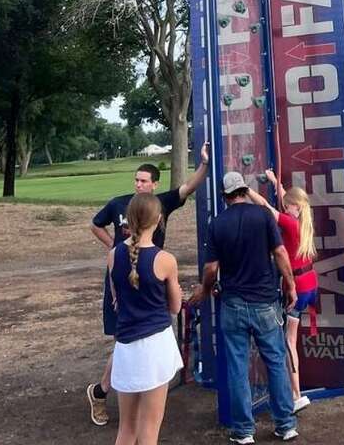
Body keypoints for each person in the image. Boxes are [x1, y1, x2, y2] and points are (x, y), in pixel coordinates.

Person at [86, 144, 209, 426]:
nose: (138, 184)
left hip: (151, 276)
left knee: (141, 337)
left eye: (144, 180)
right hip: (123, 278)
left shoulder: (161, 203)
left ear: (154, 184)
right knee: (126, 337)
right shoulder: (119, 203)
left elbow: (188, 187)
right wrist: (113, 246)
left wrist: (203, 164)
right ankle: (104, 393)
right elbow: (95, 224)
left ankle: (104, 391)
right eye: (136, 180)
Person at [191, 171, 299, 444]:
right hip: (265, 302)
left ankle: (243, 431)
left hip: (233, 304)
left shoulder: (217, 224)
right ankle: (285, 425)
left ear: (225, 196)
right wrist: (290, 284)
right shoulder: (262, 216)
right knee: (276, 362)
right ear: (244, 190)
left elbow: (211, 268)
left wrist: (206, 289)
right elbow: (280, 253)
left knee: (238, 367)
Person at [106, 193, 183, 445]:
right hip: (154, 347)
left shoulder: (113, 255)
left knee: (126, 429)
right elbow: (175, 306)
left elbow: (116, 300)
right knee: (149, 430)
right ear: (159, 219)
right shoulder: (165, 260)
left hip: (126, 347)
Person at [248, 169, 318, 412]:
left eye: (288, 206)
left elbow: (268, 207)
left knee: (289, 342)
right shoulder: (305, 222)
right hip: (310, 284)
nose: (285, 207)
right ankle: (295, 391)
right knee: (291, 338)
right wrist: (277, 182)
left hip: (297, 287)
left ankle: (296, 395)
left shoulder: (289, 221)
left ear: (295, 208)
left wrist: (247, 190)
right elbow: (286, 199)